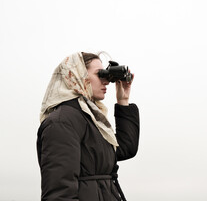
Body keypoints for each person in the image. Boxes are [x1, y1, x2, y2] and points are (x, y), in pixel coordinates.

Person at [36, 52, 140, 201]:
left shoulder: (91, 118)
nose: (106, 81)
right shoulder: (62, 122)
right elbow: (59, 194)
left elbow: (124, 148)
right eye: (100, 74)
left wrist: (123, 100)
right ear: (77, 76)